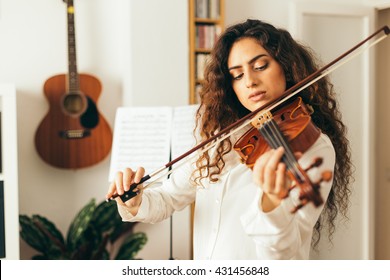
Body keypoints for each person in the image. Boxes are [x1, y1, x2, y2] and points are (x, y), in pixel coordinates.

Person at [106, 19, 353, 260]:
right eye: (237, 75)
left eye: (260, 66)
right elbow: (169, 196)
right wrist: (136, 201)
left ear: (286, 67)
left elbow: (281, 255)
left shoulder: (313, 146)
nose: (250, 82)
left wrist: (270, 202)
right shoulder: (221, 137)